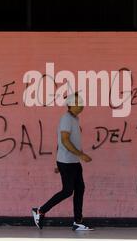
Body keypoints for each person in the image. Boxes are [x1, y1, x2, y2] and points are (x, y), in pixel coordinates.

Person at [32, 92, 93, 231]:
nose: (82, 105)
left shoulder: (74, 119)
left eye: (82, 102)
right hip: (67, 162)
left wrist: (58, 162)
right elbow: (65, 140)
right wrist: (81, 154)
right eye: (78, 103)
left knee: (79, 189)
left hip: (72, 161)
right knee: (67, 191)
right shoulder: (66, 118)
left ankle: (78, 222)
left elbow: (59, 142)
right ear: (70, 105)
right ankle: (40, 211)